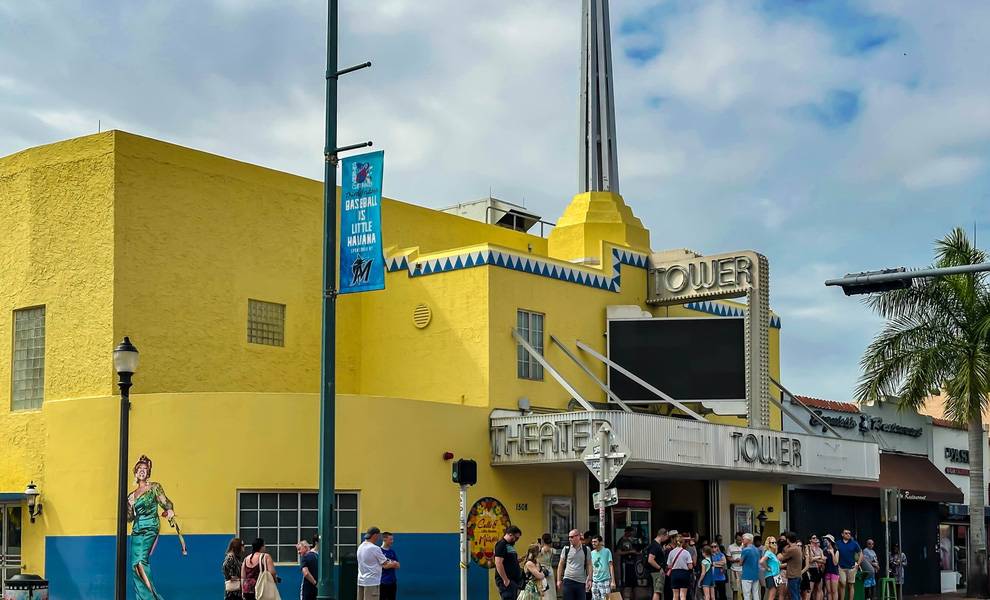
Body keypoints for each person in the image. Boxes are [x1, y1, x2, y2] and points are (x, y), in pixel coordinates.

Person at [127, 455, 180, 600]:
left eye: (145, 468)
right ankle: (143, 598)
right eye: (139, 468)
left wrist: (169, 510)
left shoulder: (154, 487)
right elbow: (129, 518)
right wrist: (130, 505)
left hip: (150, 527)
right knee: (134, 566)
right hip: (136, 530)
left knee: (140, 562)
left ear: (148, 472)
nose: (142, 471)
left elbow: (166, 502)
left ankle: (151, 598)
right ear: (135, 473)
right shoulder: (131, 495)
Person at [357, 526, 398, 600]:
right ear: (375, 535)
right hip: (372, 582)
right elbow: (385, 564)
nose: (378, 538)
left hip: (361, 581)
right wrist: (394, 563)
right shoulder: (375, 548)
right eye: (378, 536)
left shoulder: (360, 547)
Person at [557, 529, 593, 600]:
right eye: (569, 537)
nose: (570, 539)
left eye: (572, 537)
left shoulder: (586, 549)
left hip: (581, 581)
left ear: (578, 537)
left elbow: (589, 564)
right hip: (568, 580)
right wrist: (558, 580)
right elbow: (560, 564)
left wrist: (590, 579)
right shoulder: (566, 549)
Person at [494, 525, 524, 600]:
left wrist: (518, 560)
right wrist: (505, 580)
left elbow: (508, 560)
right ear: (510, 534)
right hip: (507, 581)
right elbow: (498, 563)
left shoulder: (510, 545)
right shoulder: (501, 545)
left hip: (513, 581)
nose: (516, 540)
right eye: (516, 538)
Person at [834, 530, 861, 600]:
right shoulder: (838, 543)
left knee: (851, 585)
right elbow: (835, 554)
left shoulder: (854, 543)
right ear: (842, 534)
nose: (848, 534)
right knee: (842, 584)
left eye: (849, 533)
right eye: (846, 533)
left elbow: (861, 554)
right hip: (841, 567)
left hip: (851, 567)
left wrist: (858, 564)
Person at [667, 534, 694, 600]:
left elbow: (669, 565)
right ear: (683, 542)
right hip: (684, 574)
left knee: (675, 595)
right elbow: (690, 566)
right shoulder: (686, 552)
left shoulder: (671, 552)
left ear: (675, 542)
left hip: (674, 574)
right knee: (683, 595)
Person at [591, 535, 616, 600]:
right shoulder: (592, 553)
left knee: (605, 598)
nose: (593, 543)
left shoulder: (607, 551)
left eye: (595, 542)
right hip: (595, 581)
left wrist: (613, 581)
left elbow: (611, 566)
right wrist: (589, 580)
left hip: (605, 580)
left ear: (600, 542)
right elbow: (590, 567)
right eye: (592, 542)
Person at [778, 532, 802, 600]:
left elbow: (781, 558)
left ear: (788, 539)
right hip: (794, 575)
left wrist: (779, 553)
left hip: (792, 575)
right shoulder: (796, 548)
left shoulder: (792, 549)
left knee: (793, 595)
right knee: (795, 594)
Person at [648, 529, 669, 600]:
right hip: (656, 572)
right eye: (667, 536)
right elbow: (650, 560)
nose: (667, 538)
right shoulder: (655, 545)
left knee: (658, 591)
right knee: (657, 591)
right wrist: (660, 568)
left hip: (656, 572)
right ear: (663, 535)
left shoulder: (657, 545)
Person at [739, 534, 762, 600]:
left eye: (743, 539)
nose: (742, 540)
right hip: (755, 574)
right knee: (755, 593)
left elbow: (740, 563)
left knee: (746, 595)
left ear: (748, 540)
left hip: (747, 575)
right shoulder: (757, 550)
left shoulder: (745, 550)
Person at [617, 527, 638, 591]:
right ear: (627, 532)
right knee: (625, 582)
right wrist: (630, 552)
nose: (632, 533)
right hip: (625, 563)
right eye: (631, 532)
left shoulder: (631, 541)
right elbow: (618, 552)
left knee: (633, 583)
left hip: (632, 563)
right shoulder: (622, 541)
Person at [379, 532, 399, 600]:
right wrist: (393, 563)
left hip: (392, 582)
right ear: (384, 539)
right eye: (390, 539)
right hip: (382, 582)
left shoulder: (392, 552)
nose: (392, 541)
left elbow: (398, 566)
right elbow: (384, 566)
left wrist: (388, 563)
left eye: (392, 539)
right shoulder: (379, 551)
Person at [804, 535, 824, 600]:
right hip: (811, 569)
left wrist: (815, 558)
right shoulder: (807, 548)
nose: (815, 539)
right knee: (809, 590)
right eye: (813, 538)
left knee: (819, 589)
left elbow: (824, 559)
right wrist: (819, 557)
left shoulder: (819, 549)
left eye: (816, 538)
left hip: (818, 569)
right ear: (810, 540)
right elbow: (810, 560)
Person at [539, 534, 558, 600]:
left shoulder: (540, 550)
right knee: (551, 589)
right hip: (549, 570)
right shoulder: (552, 550)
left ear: (542, 540)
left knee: (542, 588)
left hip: (541, 570)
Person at [821, 535, 839, 600]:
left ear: (830, 541)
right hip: (827, 572)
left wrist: (832, 553)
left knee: (834, 591)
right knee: (829, 591)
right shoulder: (824, 551)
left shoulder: (836, 551)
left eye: (826, 540)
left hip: (834, 572)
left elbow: (835, 563)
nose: (825, 542)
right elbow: (824, 562)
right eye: (824, 540)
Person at [727, 533, 744, 600]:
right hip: (734, 569)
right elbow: (728, 557)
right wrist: (734, 560)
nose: (739, 541)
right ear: (735, 539)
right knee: (735, 588)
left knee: (744, 588)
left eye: (740, 540)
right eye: (738, 540)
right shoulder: (731, 547)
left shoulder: (745, 547)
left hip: (743, 569)